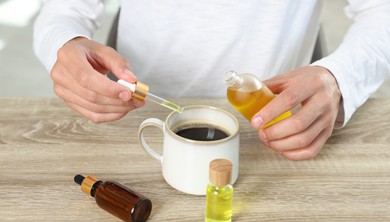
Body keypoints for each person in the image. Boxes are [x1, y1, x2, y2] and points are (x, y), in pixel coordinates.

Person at [33, 0, 390, 160]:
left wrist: (339, 76)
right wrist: (64, 46)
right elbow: (64, 9)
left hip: (272, 132)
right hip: (133, 122)